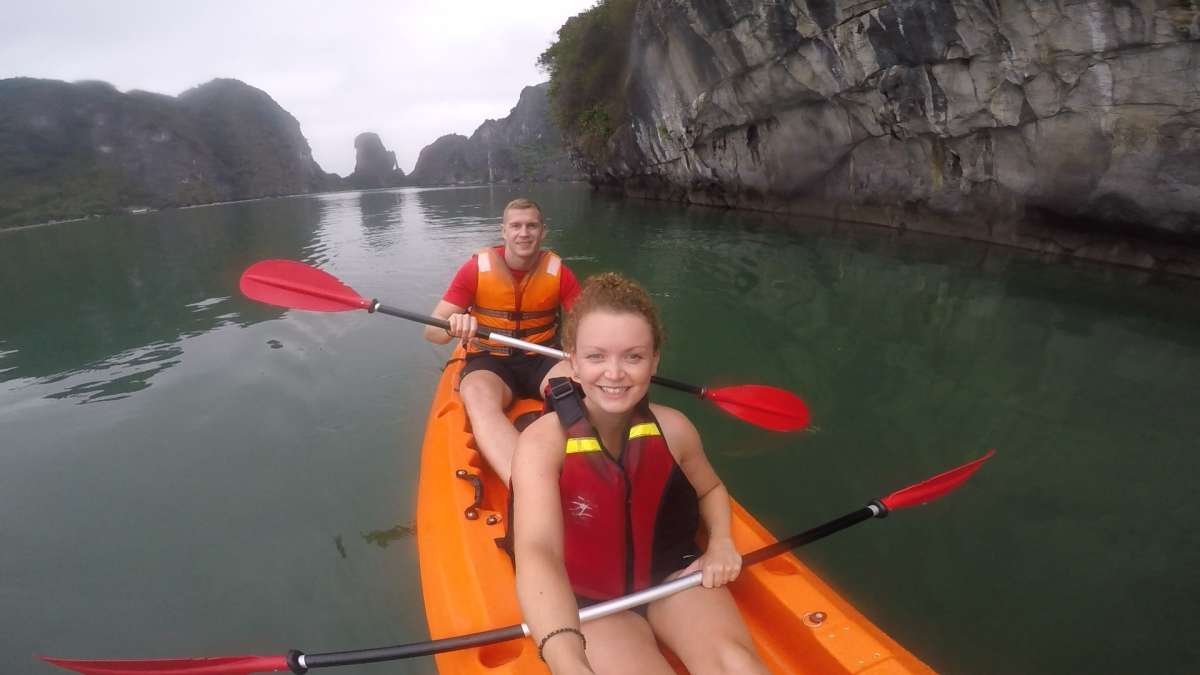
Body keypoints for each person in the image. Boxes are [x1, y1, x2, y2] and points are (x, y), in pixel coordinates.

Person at [511, 273, 768, 675]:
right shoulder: (543, 445)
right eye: (596, 356)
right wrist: (566, 660)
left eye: (633, 356)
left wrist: (720, 543)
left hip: (673, 579)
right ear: (573, 362)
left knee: (738, 667)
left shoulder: (675, 429)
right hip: (593, 602)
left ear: (654, 360)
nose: (614, 373)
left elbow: (712, 489)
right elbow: (538, 553)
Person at [423, 198, 580, 486]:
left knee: (575, 389)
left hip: (542, 357)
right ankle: (525, 486)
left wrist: (583, 349)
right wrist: (454, 325)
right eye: (516, 226)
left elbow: (587, 323)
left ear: (542, 231)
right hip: (490, 361)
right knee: (478, 397)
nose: (524, 233)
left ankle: (586, 470)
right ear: (504, 231)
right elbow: (431, 333)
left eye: (531, 226)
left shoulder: (559, 273)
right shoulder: (474, 271)